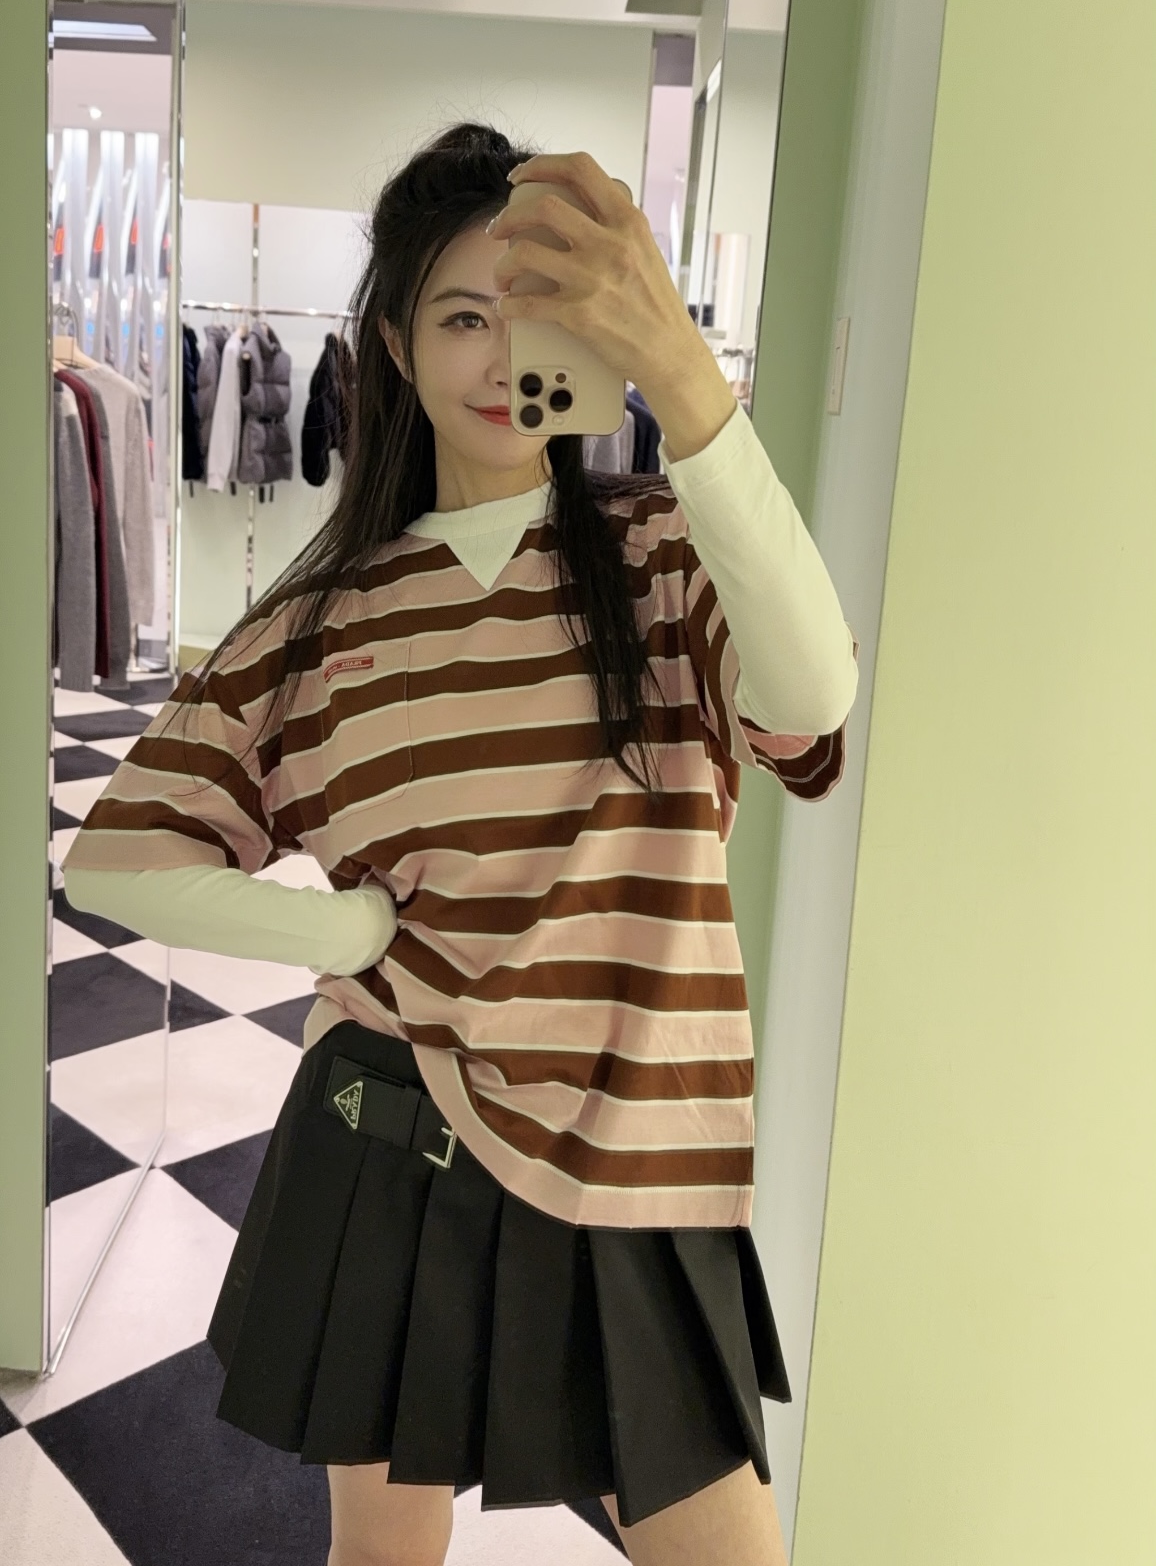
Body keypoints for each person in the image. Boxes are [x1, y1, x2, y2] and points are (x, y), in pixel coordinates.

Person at [63, 124, 857, 1566]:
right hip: (390, 1135)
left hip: (636, 1152)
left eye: (539, 316)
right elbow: (114, 857)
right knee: (383, 1558)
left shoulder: (664, 557)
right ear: (395, 342)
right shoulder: (320, 625)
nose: (502, 361)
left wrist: (686, 382)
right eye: (462, 318)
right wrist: (344, 932)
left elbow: (812, 699)